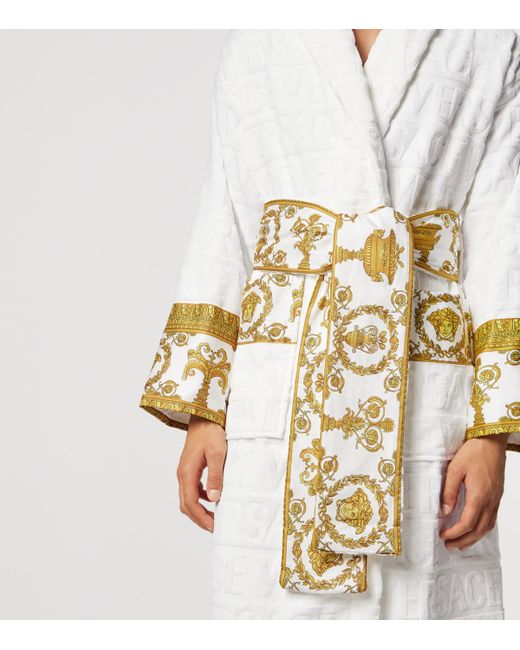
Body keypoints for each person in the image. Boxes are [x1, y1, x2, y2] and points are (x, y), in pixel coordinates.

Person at [140, 29, 520, 619]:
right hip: (282, 385)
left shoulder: (485, 34)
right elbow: (227, 216)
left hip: (425, 397)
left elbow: (503, 231)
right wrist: (204, 410)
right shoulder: (259, 36)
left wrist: (492, 432)